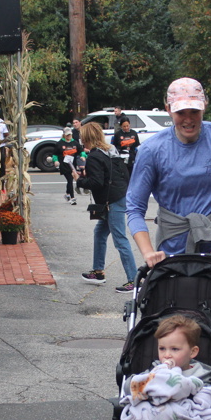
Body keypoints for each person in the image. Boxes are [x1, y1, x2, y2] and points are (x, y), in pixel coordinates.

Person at [125, 77, 211, 270]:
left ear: (205, 106)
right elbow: (135, 207)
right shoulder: (152, 150)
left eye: (194, 111)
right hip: (172, 248)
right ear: (168, 109)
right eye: (180, 112)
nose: (188, 119)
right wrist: (148, 252)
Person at [74, 122, 138, 293]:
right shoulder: (110, 151)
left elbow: (96, 182)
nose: (80, 139)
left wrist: (80, 180)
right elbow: (124, 173)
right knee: (100, 232)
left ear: (86, 137)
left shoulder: (94, 156)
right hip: (119, 196)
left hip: (111, 201)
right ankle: (98, 272)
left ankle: (134, 280)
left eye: (82, 136)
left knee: (120, 240)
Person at [52, 126, 83, 204]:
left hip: (73, 165)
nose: (68, 136)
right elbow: (55, 154)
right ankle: (72, 198)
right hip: (64, 165)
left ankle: (67, 194)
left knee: (70, 180)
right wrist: (55, 161)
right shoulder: (59, 143)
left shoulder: (75, 143)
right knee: (70, 179)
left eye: (70, 134)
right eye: (67, 135)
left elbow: (81, 151)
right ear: (64, 135)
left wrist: (83, 156)